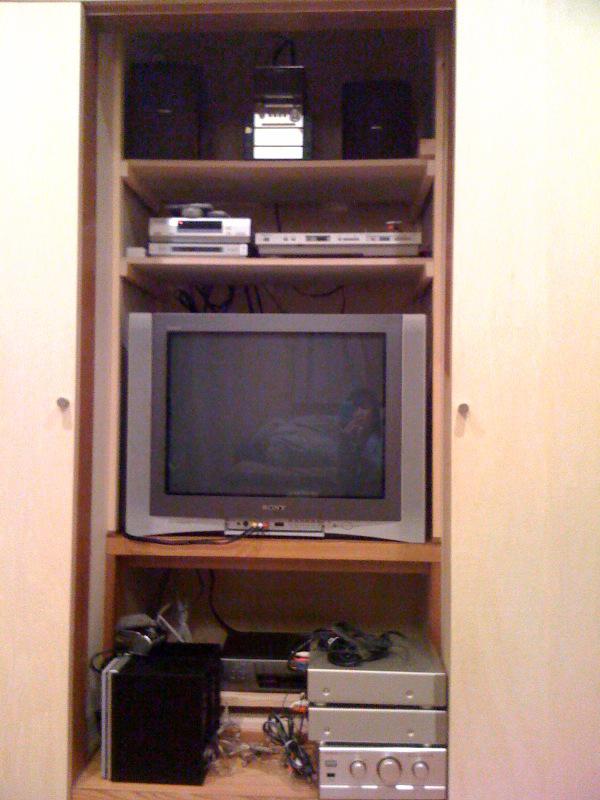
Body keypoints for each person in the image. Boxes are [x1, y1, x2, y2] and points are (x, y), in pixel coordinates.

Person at [338, 388, 384, 497]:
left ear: (375, 414)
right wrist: (345, 440)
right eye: (354, 409)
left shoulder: (379, 441)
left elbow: (374, 473)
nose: (358, 414)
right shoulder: (349, 437)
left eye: (363, 408)